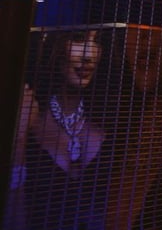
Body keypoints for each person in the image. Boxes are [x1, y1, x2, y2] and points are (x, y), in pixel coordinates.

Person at [4, 28, 109, 230]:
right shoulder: (27, 120)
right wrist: (19, 138)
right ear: (54, 45)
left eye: (98, 41)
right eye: (78, 38)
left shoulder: (112, 126)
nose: (89, 55)